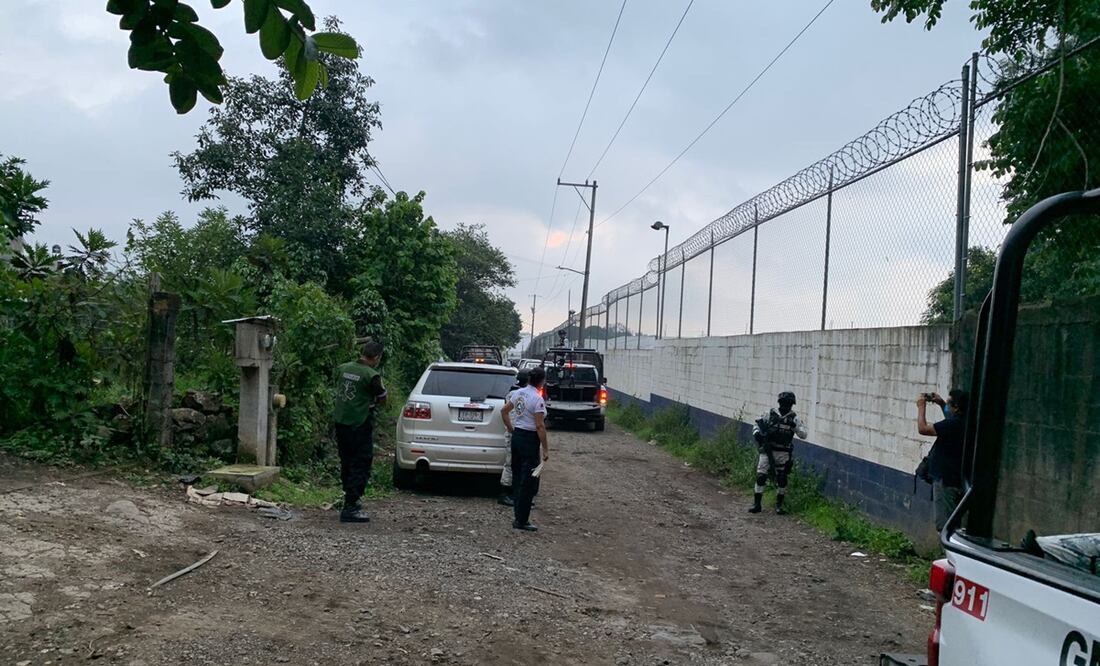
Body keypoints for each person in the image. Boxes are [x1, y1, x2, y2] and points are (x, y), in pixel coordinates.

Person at [333, 340, 388, 523]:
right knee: (361, 462)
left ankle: (348, 497)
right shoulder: (372, 375)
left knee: (346, 461)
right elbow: (382, 398)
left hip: (340, 422)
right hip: (359, 423)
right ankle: (351, 506)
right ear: (377, 357)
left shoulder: (343, 368)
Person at [501, 366, 549, 531]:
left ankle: (517, 515)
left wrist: (511, 428)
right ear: (541, 381)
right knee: (529, 481)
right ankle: (522, 520)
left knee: (516, 477)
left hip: (517, 436)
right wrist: (545, 448)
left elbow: (504, 411)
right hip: (529, 439)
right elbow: (540, 426)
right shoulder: (537, 399)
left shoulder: (518, 394)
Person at [916, 389, 968, 531]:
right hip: (957, 479)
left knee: (945, 525)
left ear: (956, 407)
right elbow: (951, 418)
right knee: (952, 521)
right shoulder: (965, 422)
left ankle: (949, 552)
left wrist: (921, 406)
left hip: (946, 481)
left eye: (949, 403)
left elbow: (923, 429)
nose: (947, 406)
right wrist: (940, 403)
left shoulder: (953, 424)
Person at [749, 391, 807, 515]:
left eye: (789, 404)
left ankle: (779, 505)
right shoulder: (769, 414)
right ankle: (757, 504)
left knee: (782, 478)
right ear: (779, 403)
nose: (786, 406)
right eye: (784, 403)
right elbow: (756, 425)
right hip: (767, 449)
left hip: (783, 452)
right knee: (761, 476)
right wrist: (757, 434)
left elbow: (803, 435)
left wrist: (794, 426)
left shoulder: (794, 418)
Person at [498, 369, 530, 507]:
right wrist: (512, 430)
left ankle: (516, 494)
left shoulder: (515, 393)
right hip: (514, 433)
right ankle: (505, 493)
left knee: (517, 464)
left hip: (517, 433)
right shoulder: (516, 394)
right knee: (510, 464)